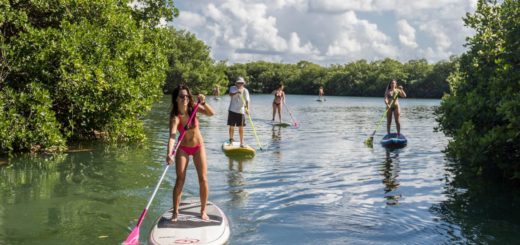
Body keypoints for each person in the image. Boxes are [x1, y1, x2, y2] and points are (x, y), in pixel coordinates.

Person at [166, 84, 215, 222]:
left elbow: (211, 113)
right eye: (182, 96)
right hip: (183, 149)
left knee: (203, 178)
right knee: (180, 179)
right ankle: (175, 212)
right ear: (176, 99)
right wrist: (169, 153)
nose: (185, 98)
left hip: (198, 147)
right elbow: (172, 136)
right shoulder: (175, 117)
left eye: (187, 96)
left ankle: (203, 210)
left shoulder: (193, 108)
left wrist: (204, 103)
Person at [227, 77, 250, 148]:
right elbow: (230, 94)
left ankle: (241, 142)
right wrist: (237, 92)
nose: (240, 84)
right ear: (236, 83)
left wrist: (247, 109)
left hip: (241, 111)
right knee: (231, 126)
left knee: (241, 127)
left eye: (241, 83)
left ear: (243, 83)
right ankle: (231, 140)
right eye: (238, 83)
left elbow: (247, 100)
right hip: (232, 110)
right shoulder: (232, 88)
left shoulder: (245, 90)